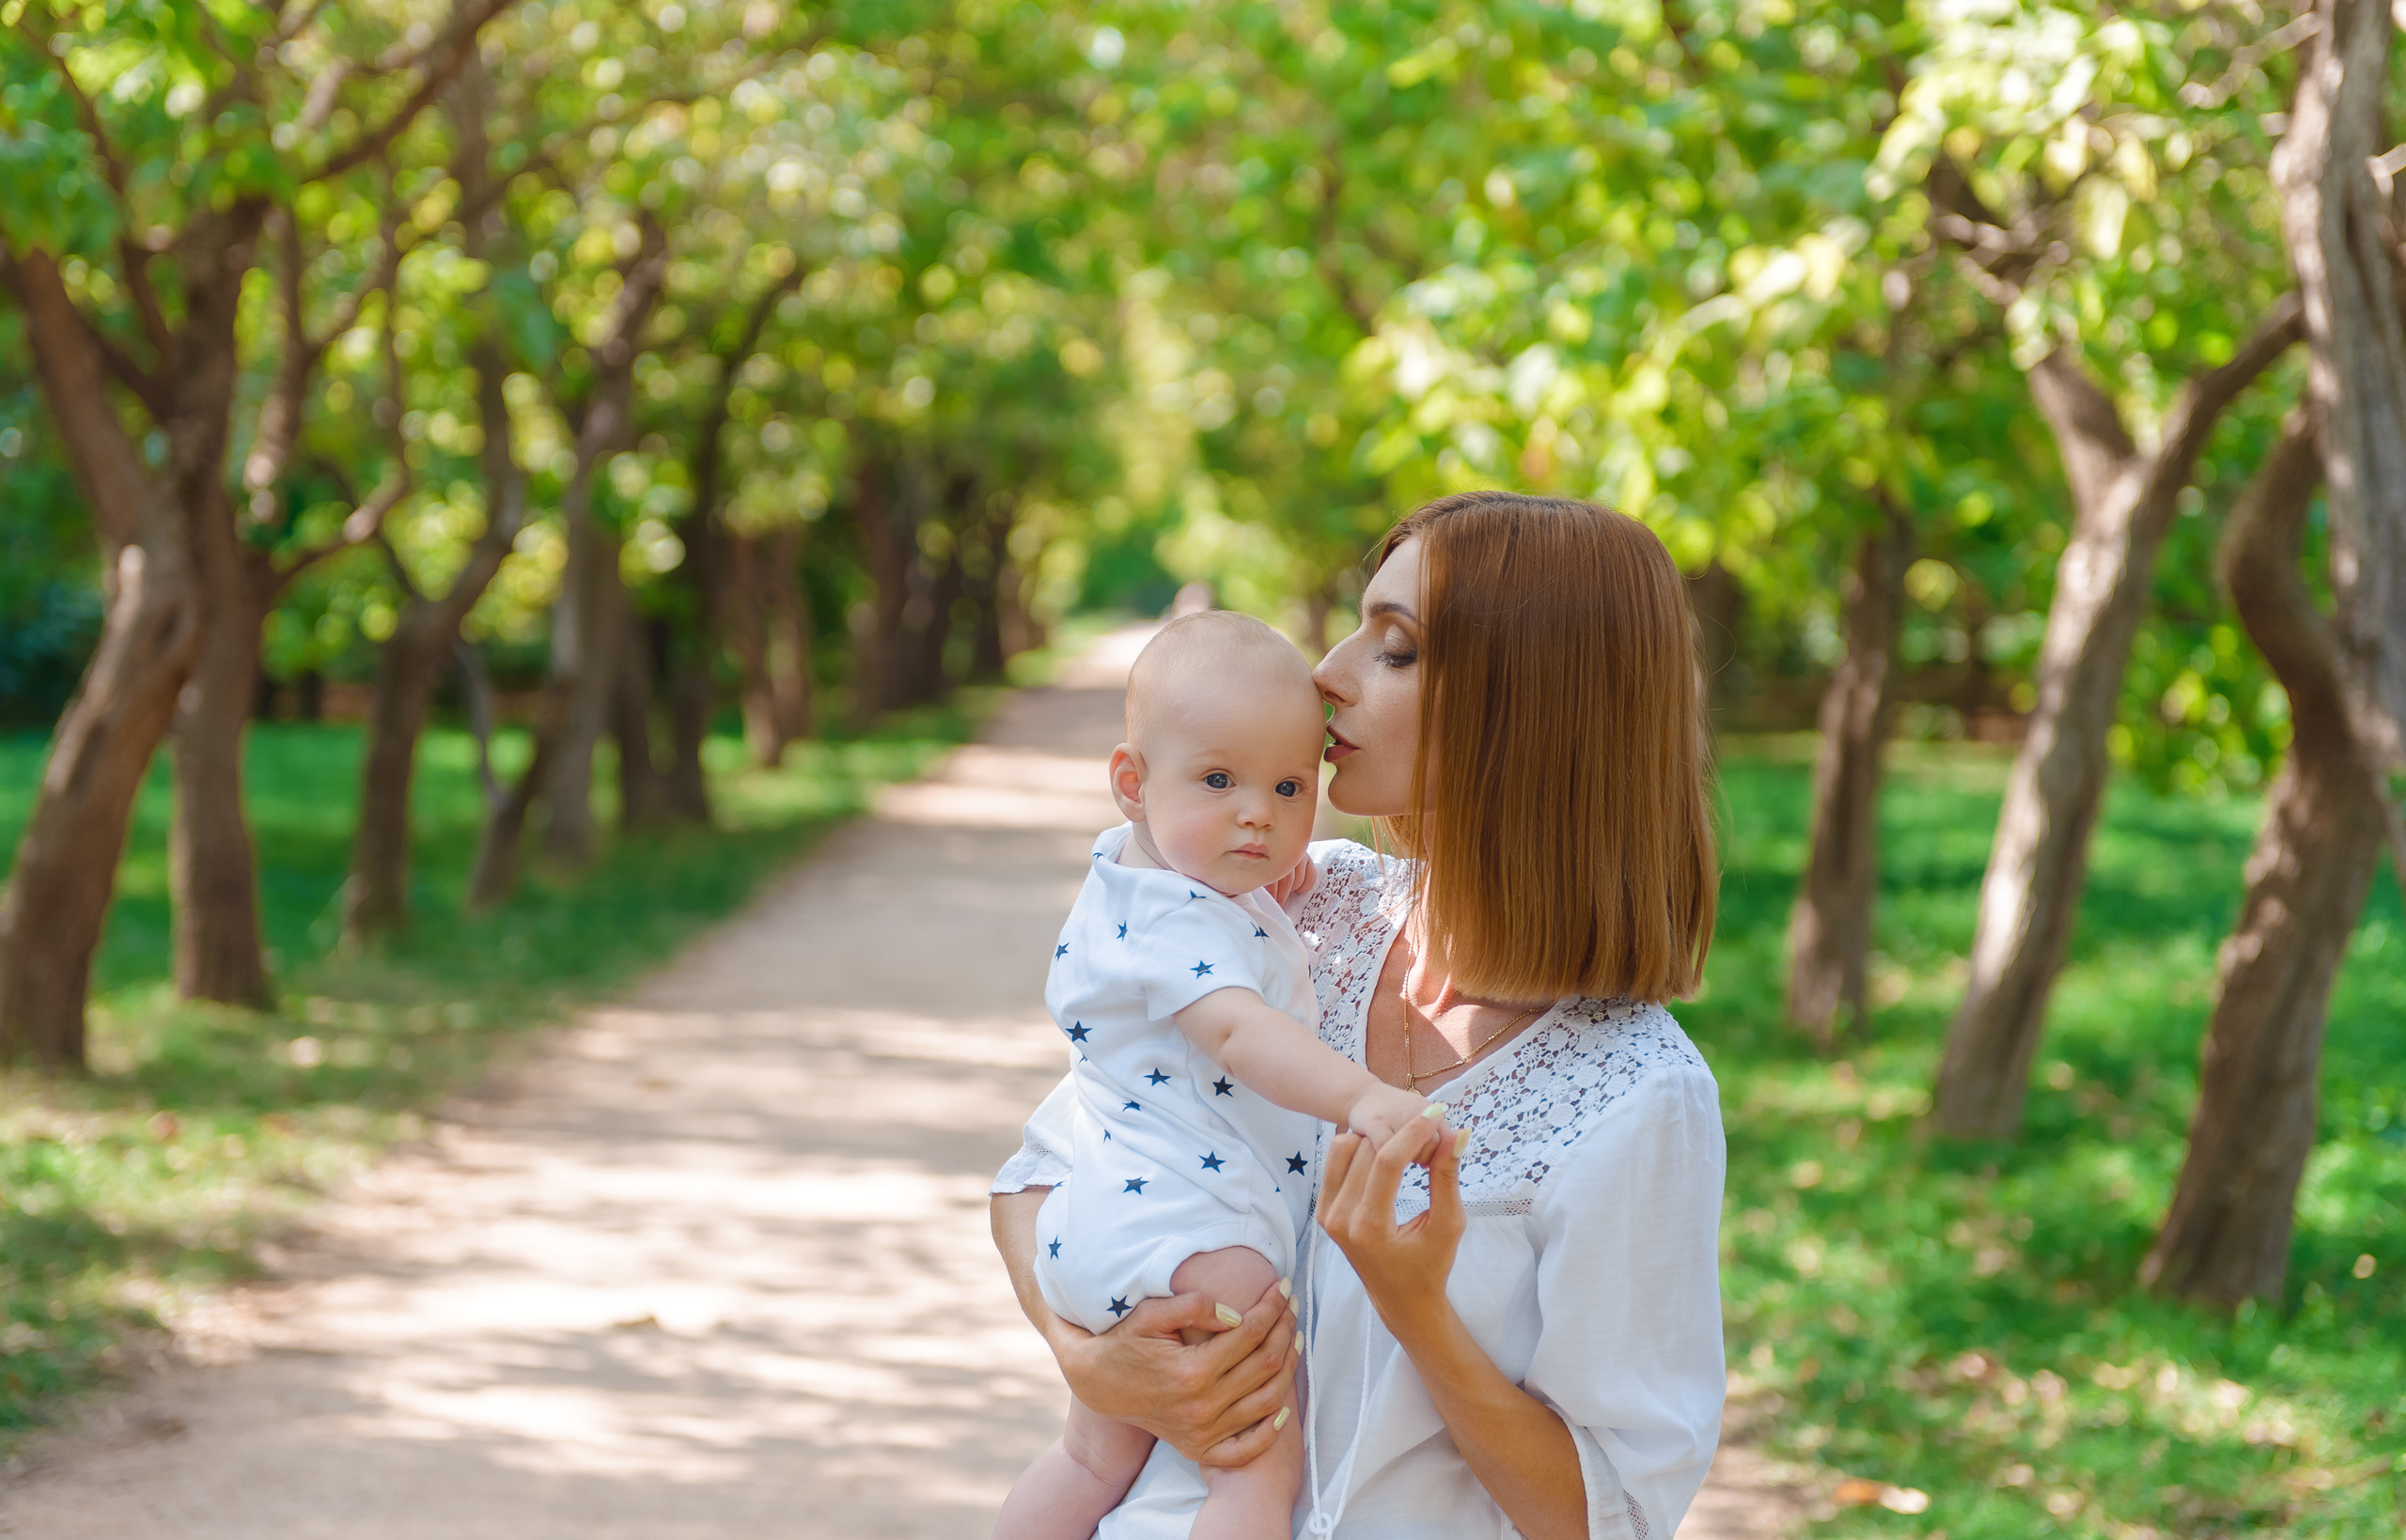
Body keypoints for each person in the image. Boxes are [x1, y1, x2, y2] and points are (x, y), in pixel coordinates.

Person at [992, 490, 1726, 1540]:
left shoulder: (1636, 1097)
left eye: (1396, 650)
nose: (1326, 673)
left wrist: (1413, 1301)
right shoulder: (1299, 912)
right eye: (1357, 626)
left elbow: (1599, 1514)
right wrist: (1092, 1361)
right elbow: (1043, 1169)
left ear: (1531, 707)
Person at [994, 611, 1450, 1540]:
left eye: (1289, 787)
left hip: (1104, 1224)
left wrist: (1247, 876)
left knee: (1089, 1459)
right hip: (1195, 1241)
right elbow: (1242, 1034)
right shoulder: (1177, 927)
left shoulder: (1145, 877)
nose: (1258, 815)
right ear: (1131, 781)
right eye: (1219, 780)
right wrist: (1361, 1096)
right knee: (1256, 1477)